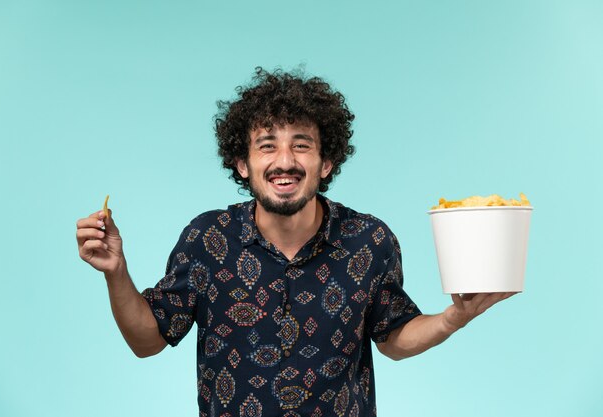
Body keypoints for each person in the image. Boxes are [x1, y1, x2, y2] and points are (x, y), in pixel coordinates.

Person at [76, 68, 514, 417]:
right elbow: (147, 341)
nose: (284, 161)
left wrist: (455, 317)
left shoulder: (370, 240)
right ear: (242, 164)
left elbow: (393, 336)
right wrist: (117, 272)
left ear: (326, 162)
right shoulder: (206, 239)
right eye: (267, 146)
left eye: (301, 145)